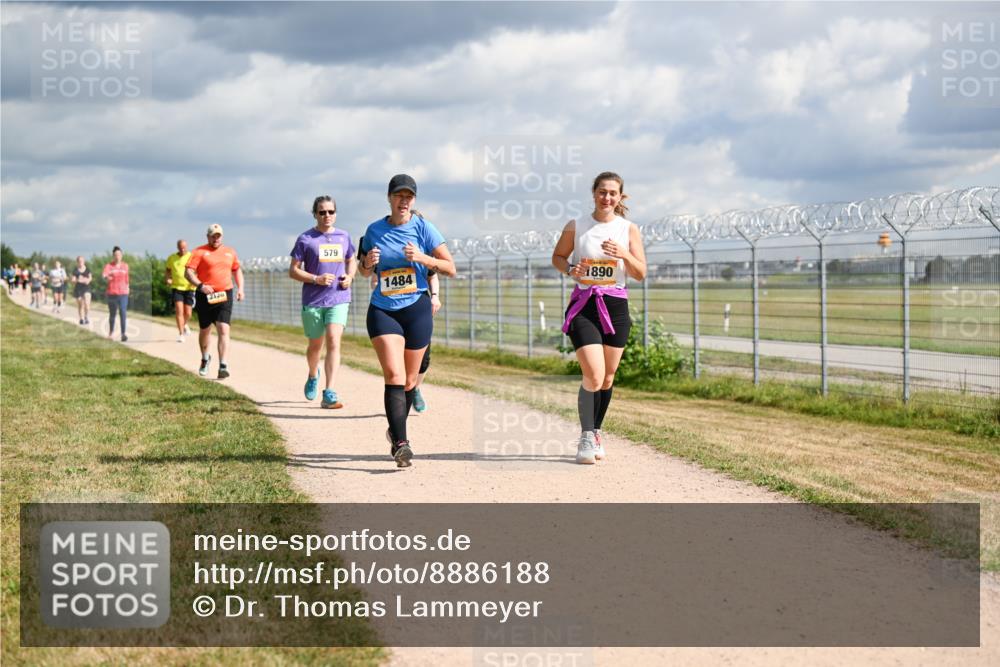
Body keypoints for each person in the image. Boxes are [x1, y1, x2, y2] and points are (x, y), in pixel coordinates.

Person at [358, 174, 456, 467]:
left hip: (416, 308)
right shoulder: (374, 230)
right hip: (383, 309)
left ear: (414, 200)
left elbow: (450, 267)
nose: (404, 201)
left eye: (409, 197)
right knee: (395, 376)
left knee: (411, 380)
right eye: (399, 196)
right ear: (389, 198)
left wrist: (424, 258)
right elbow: (363, 272)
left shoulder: (424, 228)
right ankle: (401, 444)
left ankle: (394, 427)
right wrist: (367, 264)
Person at [551, 171, 647, 464]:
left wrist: (623, 255)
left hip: (616, 307)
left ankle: (596, 432)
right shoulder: (576, 226)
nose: (607, 197)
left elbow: (641, 273)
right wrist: (571, 270)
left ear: (620, 197)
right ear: (594, 193)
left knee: (607, 377)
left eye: (613, 193)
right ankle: (585, 436)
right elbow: (557, 257)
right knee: (592, 374)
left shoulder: (628, 229)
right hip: (585, 306)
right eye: (602, 192)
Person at [289, 196, 357, 408]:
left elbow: (351, 260)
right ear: (315, 214)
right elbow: (293, 270)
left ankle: (329, 392)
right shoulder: (306, 239)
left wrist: (350, 277)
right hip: (313, 301)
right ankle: (312, 374)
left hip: (338, 298)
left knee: (334, 340)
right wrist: (315, 279)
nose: (327, 216)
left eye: (330, 212)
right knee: (315, 347)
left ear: (335, 213)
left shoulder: (344, 236)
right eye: (322, 212)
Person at [185, 224, 244, 379]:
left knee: (223, 328)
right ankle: (205, 358)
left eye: (218, 236)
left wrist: (241, 289)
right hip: (205, 296)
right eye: (213, 236)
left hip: (225, 294)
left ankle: (223, 365)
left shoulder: (230, 252)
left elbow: (237, 269)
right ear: (208, 236)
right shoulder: (199, 252)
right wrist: (201, 285)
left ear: (222, 236)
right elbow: (188, 272)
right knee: (205, 330)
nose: (216, 238)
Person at [409, 271, 441, 413]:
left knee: (423, 360)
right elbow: (374, 278)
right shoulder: (385, 251)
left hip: (419, 309)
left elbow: (432, 276)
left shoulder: (420, 251)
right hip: (391, 310)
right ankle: (400, 397)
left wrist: (435, 296)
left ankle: (415, 388)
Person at [165, 239, 196, 342]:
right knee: (179, 311)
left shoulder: (192, 257)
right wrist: (168, 278)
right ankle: (181, 334)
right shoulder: (172, 258)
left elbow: (197, 270)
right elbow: (168, 270)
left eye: (184, 247)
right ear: (177, 247)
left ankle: (184, 324)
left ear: (187, 247)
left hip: (189, 288)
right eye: (181, 247)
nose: (183, 249)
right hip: (176, 287)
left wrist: (195, 281)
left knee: (188, 313)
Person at [103, 247, 130, 341]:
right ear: (113, 256)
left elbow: (127, 278)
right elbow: (104, 275)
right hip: (112, 293)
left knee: (123, 312)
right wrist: (107, 277)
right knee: (113, 313)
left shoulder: (125, 266)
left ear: (121, 256)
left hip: (123, 293)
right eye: (116, 255)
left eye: (119, 254)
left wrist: (128, 287)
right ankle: (111, 332)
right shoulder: (109, 266)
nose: (118, 256)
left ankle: (123, 334)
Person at [71, 256, 92, 325]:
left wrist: (86, 280)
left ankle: (86, 317)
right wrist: (77, 280)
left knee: (87, 304)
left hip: (86, 288)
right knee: (80, 305)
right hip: (78, 289)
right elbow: (73, 280)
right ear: (77, 262)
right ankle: (81, 319)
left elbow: (90, 279)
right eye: (79, 261)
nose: (81, 262)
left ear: (84, 261)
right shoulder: (75, 270)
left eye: (82, 261)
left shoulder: (87, 269)